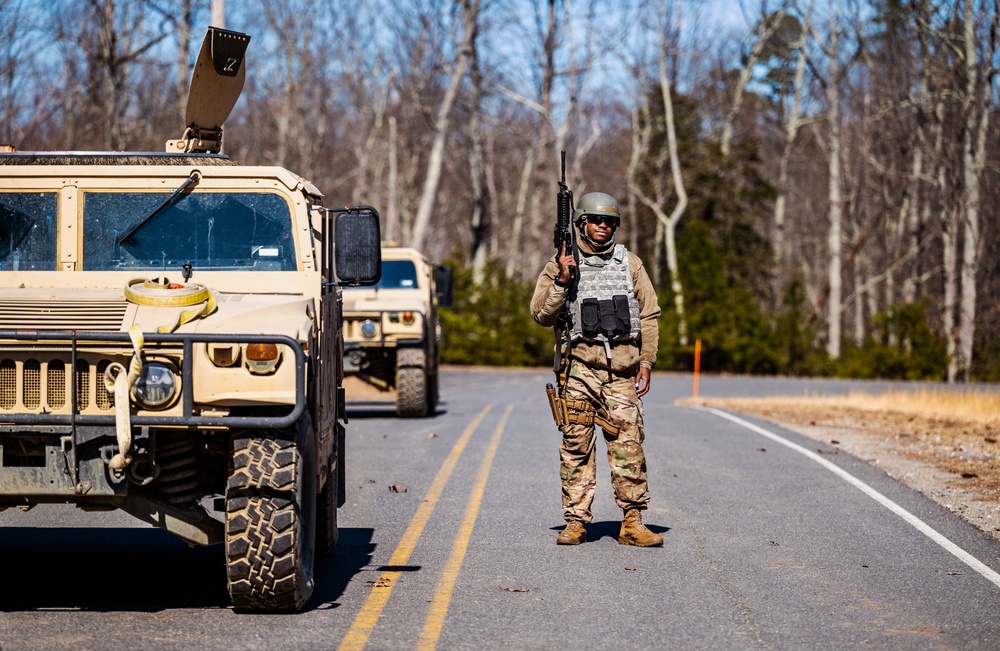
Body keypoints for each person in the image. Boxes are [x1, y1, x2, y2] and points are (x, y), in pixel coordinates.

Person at [531, 191, 663, 547]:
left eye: (609, 222)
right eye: (596, 220)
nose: (603, 226)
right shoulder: (559, 266)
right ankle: (575, 522)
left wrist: (646, 362)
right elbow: (541, 315)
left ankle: (633, 522)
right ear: (581, 224)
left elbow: (649, 315)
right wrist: (562, 280)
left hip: (622, 373)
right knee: (576, 446)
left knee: (629, 447)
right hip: (580, 372)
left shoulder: (630, 264)